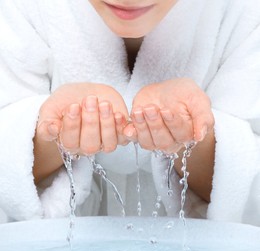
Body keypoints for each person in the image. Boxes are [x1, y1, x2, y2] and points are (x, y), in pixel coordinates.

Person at [0, 0, 259, 225]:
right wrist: (51, 134)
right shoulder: (21, 8)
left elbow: (250, 200)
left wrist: (193, 138)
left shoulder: (245, 14)